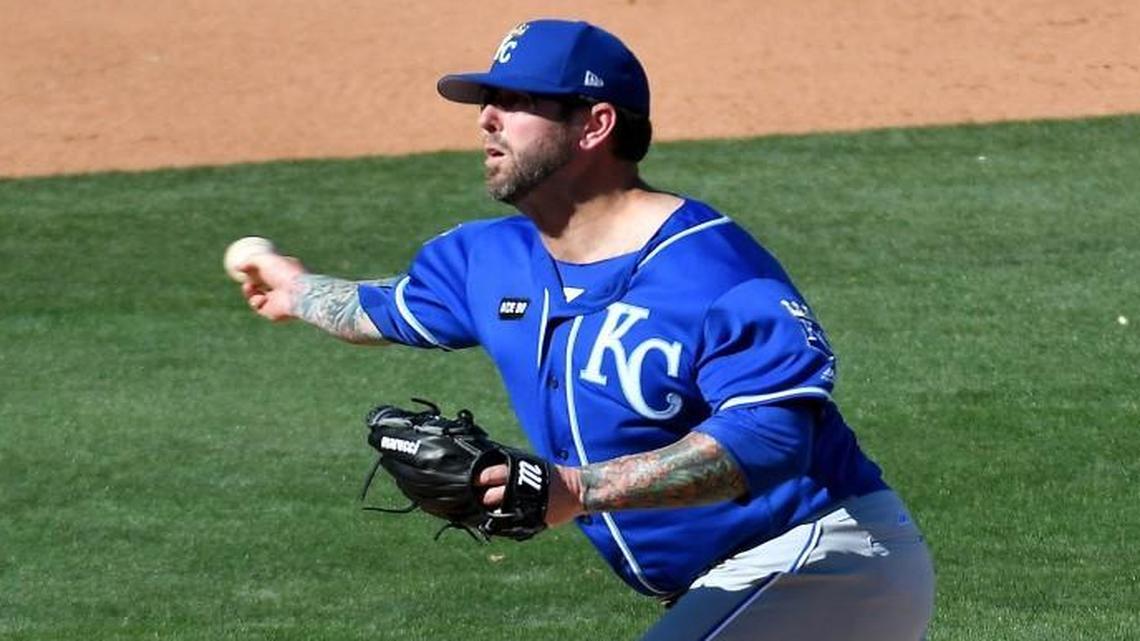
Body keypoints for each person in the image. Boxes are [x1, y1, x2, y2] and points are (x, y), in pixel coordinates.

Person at [238, 18, 935, 641]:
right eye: (488, 101)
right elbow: (376, 310)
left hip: (826, 561)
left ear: (595, 124)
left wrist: (576, 489)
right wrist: (294, 287)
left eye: (516, 102)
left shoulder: (714, 271)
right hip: (725, 591)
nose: (487, 119)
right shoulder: (488, 259)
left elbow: (770, 441)